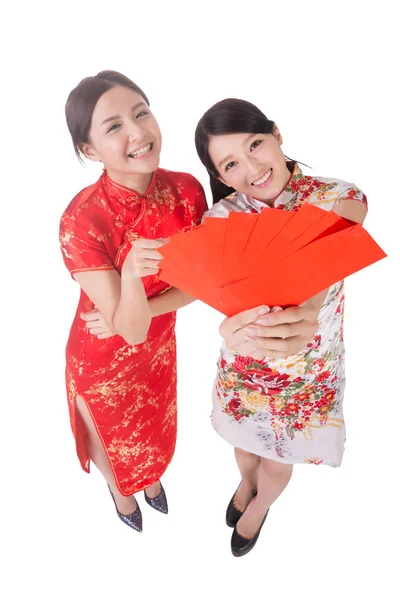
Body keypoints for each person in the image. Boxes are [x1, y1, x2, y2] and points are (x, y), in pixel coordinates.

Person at [193, 98, 368, 557]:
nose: (252, 168)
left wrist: (306, 311)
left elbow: (323, 263)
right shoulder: (219, 220)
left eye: (256, 145)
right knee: (244, 449)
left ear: (276, 133)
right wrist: (228, 326)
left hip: (307, 373)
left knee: (276, 463)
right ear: (221, 178)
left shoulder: (341, 198)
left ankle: (258, 508)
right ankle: (244, 482)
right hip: (245, 366)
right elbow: (224, 299)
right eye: (231, 163)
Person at [59, 70, 207, 532]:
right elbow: (129, 331)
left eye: (141, 113)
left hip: (158, 345)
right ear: (88, 149)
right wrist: (129, 274)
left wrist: (147, 309)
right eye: (113, 126)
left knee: (156, 428)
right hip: (103, 359)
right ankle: (122, 492)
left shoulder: (186, 190)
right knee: (113, 437)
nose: (138, 132)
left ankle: (152, 479)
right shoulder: (81, 222)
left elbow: (204, 285)